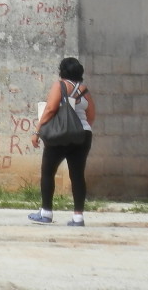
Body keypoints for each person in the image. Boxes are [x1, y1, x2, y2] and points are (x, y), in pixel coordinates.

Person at [29, 56, 97, 227]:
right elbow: (91, 116)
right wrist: (78, 127)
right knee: (77, 175)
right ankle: (78, 217)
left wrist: (37, 131)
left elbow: (51, 108)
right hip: (82, 135)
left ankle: (46, 212)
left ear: (62, 71)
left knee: (48, 172)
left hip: (60, 135)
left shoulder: (60, 86)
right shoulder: (84, 90)